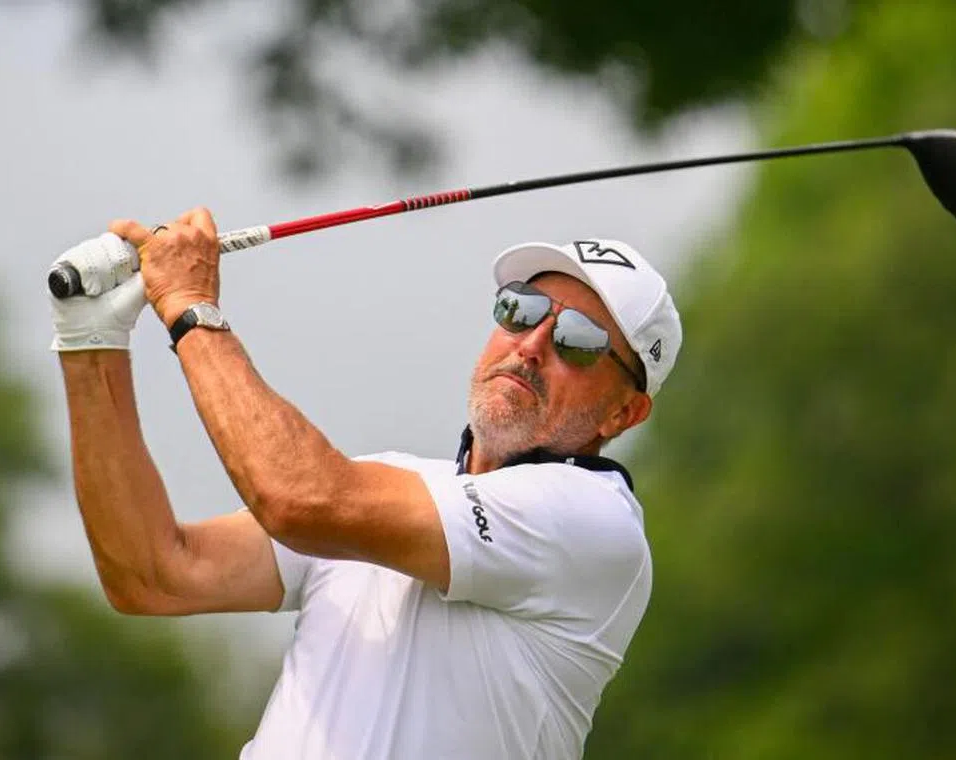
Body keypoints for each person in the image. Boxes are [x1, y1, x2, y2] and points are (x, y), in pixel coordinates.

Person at [48, 207, 682, 759]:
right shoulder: (390, 485)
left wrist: (190, 309)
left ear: (624, 413)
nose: (531, 344)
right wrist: (90, 343)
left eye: (578, 341)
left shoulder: (593, 521)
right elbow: (154, 573)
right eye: (522, 310)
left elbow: (300, 500)